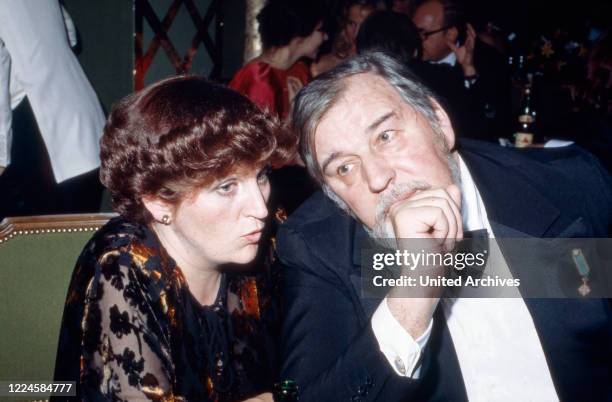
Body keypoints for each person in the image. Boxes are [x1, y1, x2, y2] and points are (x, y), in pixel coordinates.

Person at [276, 52, 612, 401]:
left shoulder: (571, 184)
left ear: (440, 123)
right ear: (333, 194)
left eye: (386, 136)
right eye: (344, 168)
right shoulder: (316, 246)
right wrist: (413, 294)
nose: (377, 178)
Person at [53, 76, 295, 401]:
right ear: (158, 200)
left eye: (261, 176)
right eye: (226, 187)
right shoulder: (121, 265)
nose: (260, 208)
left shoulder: (273, 236)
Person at [0, 0, 105, 218]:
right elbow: (70, 34)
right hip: (83, 120)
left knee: (33, 249)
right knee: (70, 245)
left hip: (36, 132)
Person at [412, 0, 513, 141]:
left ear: (450, 34)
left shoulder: (488, 60)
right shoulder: (411, 63)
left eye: (424, 34)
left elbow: (496, 121)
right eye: (413, 32)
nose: (416, 40)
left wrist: (469, 71)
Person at [229, 0, 327, 121]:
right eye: (320, 30)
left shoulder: (299, 70)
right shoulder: (258, 78)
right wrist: (293, 117)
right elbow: (258, 137)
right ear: (300, 34)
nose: (325, 37)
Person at [311, 0, 374, 77]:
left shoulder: (377, 63)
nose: (356, 32)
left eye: (363, 25)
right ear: (344, 24)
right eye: (351, 23)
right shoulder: (323, 62)